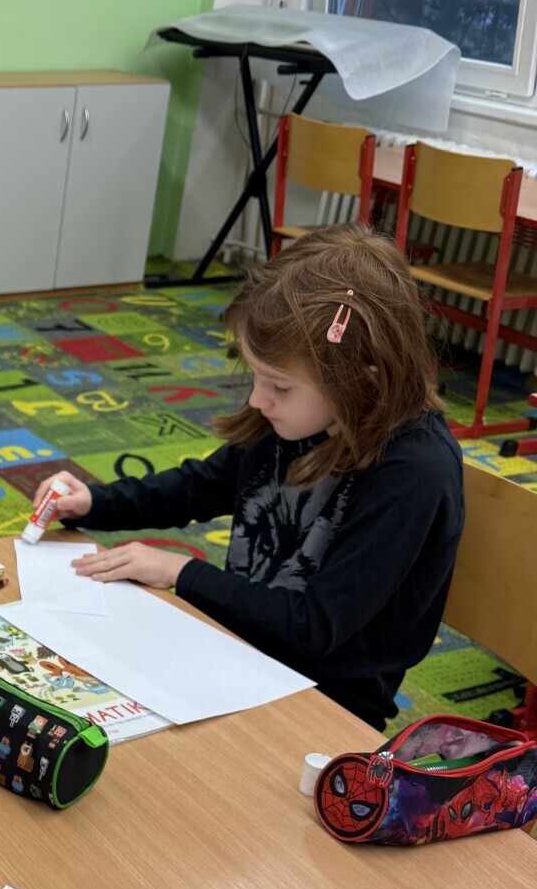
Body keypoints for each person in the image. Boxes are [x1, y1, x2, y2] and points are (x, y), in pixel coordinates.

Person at [31, 225, 464, 729]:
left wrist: (179, 572)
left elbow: (314, 628)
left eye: (279, 386)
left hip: (323, 706)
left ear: (360, 379)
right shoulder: (303, 416)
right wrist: (95, 502)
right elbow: (200, 485)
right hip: (239, 652)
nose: (258, 399)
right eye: (256, 375)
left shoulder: (415, 472)